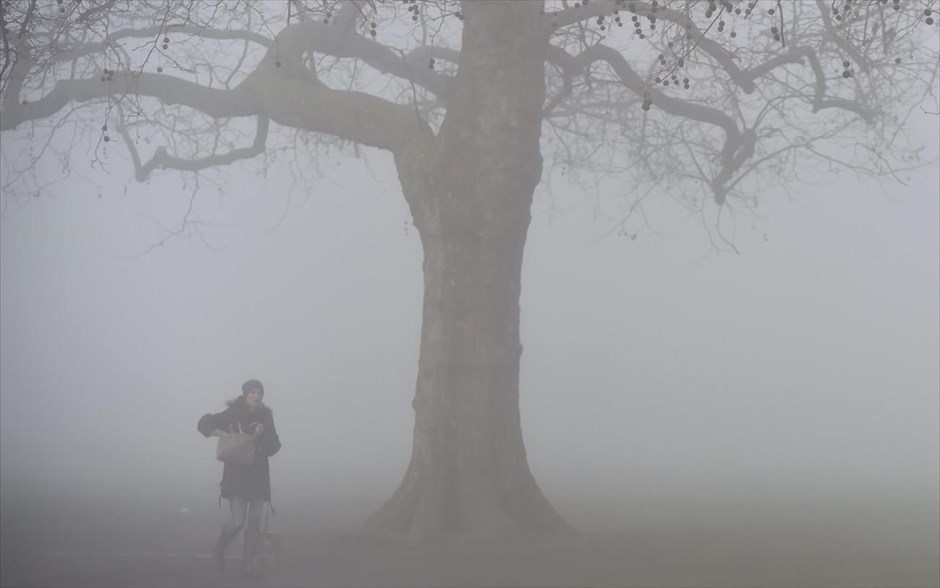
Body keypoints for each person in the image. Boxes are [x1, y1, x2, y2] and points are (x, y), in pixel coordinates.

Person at [198, 379, 281, 576]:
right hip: (236, 476)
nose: (256, 396)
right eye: (252, 392)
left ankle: (248, 565)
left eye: (259, 392)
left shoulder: (266, 418)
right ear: (245, 395)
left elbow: (274, 446)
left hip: (259, 475)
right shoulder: (233, 413)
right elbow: (204, 423)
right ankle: (219, 550)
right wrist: (225, 435)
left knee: (254, 522)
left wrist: (261, 437)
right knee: (237, 521)